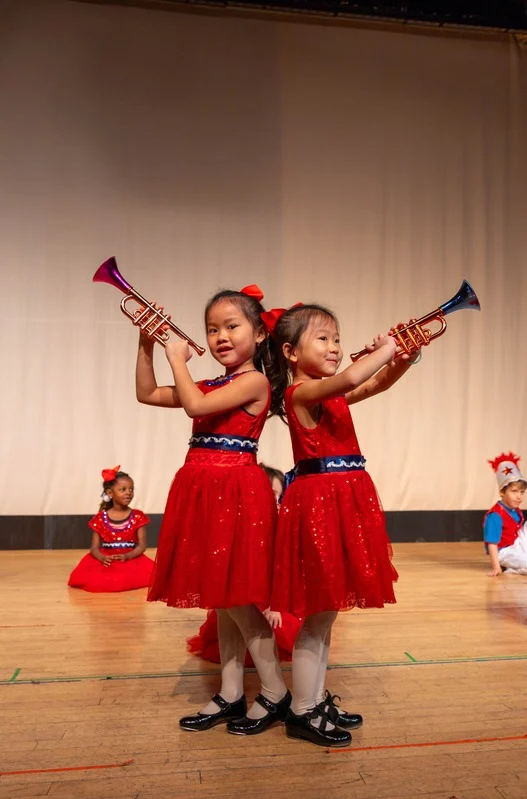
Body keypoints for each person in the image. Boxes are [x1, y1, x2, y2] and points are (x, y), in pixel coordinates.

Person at [137, 285, 290, 735]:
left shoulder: (254, 381)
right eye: (212, 329)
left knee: (239, 599)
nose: (219, 336)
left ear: (260, 334)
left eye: (231, 326)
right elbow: (146, 394)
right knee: (222, 605)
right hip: (204, 489)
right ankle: (229, 692)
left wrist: (178, 359)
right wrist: (147, 343)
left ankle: (276, 691)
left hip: (234, 491)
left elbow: (195, 405)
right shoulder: (211, 383)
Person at [268, 303, 420, 747]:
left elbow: (373, 383)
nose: (335, 348)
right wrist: (389, 346)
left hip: (343, 499)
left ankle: (313, 701)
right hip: (321, 504)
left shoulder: (324, 392)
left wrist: (404, 356)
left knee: (326, 615)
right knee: (317, 616)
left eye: (338, 339)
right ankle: (302, 710)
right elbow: (356, 376)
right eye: (324, 339)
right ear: (292, 353)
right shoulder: (299, 394)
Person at [186, 463, 303, 668]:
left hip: (275, 600)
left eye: (279, 496)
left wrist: (275, 606)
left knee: (279, 628)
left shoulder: (282, 528)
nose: (275, 501)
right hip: (246, 598)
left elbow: (283, 573)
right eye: (270, 495)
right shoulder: (243, 533)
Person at [68, 466, 153, 592]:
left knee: (129, 578)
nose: (129, 492)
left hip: (130, 558)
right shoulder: (100, 518)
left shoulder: (138, 516)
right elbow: (94, 547)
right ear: (110, 493)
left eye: (131, 489)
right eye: (123, 489)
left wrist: (127, 556)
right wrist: (101, 557)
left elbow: (142, 546)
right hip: (107, 559)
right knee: (100, 579)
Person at [484, 453, 527, 576]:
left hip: (516, 544)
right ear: (502, 492)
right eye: (514, 492)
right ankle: (511, 568)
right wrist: (496, 567)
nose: (519, 496)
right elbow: (492, 544)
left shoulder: (515, 510)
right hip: (504, 551)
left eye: (522, 492)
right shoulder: (495, 515)